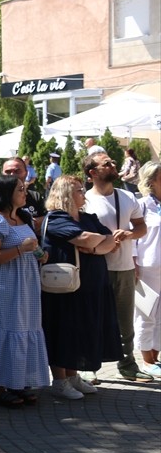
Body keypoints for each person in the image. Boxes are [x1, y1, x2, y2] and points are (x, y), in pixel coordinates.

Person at [0, 176, 51, 407]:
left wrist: (39, 254)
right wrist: (20, 248)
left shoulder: (22, 218)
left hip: (25, 284)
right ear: (7, 193)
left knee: (25, 328)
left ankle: (18, 381)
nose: (25, 193)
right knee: (4, 327)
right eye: (20, 189)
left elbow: (30, 248)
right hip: (4, 285)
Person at [40, 176, 122, 399]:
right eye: (78, 190)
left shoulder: (87, 217)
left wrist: (96, 247)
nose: (83, 194)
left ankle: (72, 375)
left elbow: (111, 241)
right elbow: (85, 238)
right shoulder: (56, 218)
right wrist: (97, 240)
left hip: (90, 285)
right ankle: (59, 380)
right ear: (65, 194)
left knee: (80, 329)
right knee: (63, 329)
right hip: (65, 289)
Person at [82, 152, 150, 382]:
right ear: (92, 173)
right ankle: (88, 365)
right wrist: (100, 244)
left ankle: (127, 364)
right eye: (106, 164)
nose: (113, 165)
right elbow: (79, 236)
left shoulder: (126, 197)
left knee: (125, 319)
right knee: (93, 316)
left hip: (124, 267)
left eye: (112, 162)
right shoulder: (85, 200)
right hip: (96, 267)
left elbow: (142, 227)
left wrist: (130, 234)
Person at [133, 162, 161, 378]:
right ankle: (145, 359)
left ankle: (155, 357)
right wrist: (133, 262)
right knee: (146, 313)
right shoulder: (141, 205)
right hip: (147, 266)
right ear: (152, 181)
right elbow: (133, 236)